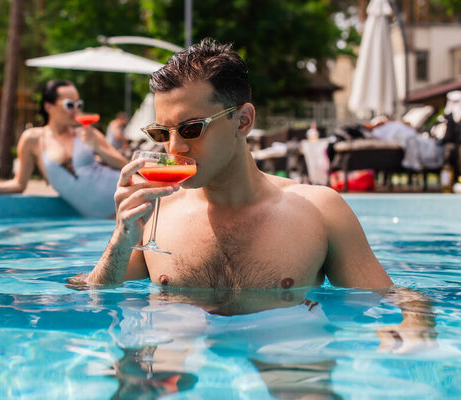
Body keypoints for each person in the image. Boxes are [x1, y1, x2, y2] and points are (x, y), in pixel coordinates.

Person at [83, 39, 436, 347]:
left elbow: (394, 299)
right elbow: (94, 296)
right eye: (162, 133)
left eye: (191, 129)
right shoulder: (155, 214)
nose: (175, 148)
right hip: (179, 350)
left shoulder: (319, 210)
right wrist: (120, 237)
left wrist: (415, 329)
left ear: (243, 121)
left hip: (285, 350)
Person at [0, 80, 128, 218]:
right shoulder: (33, 139)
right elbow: (20, 184)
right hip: (105, 220)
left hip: (128, 199)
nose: (76, 109)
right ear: (49, 107)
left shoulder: (87, 133)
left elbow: (127, 167)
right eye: (69, 104)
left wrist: (99, 148)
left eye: (79, 104)